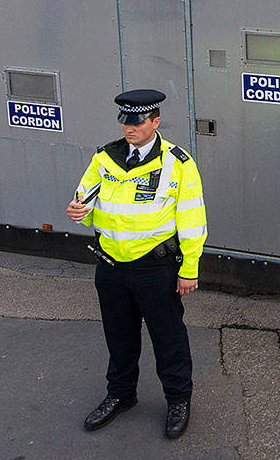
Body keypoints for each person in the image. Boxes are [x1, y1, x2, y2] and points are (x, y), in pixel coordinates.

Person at [66, 88, 207, 440]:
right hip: (112, 267)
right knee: (119, 337)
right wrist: (77, 211)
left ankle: (178, 400)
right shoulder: (105, 157)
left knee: (168, 338)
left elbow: (192, 219)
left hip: (155, 268)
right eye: (125, 121)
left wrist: (189, 269)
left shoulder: (178, 163)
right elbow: (86, 199)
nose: (129, 128)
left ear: (154, 122)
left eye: (137, 121)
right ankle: (121, 394)